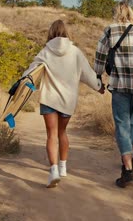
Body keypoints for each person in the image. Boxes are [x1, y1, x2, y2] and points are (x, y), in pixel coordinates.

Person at [23, 20, 105, 188]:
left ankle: (53, 170)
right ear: (66, 32)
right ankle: (63, 166)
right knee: (62, 132)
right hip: (67, 100)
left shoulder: (45, 52)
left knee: (51, 135)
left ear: (51, 32)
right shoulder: (75, 52)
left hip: (49, 99)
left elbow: (30, 72)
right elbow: (88, 74)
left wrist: (18, 87)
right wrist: (99, 87)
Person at [94, 2, 133, 188]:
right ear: (131, 14)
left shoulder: (109, 30)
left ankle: (127, 169)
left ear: (115, 13)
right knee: (131, 122)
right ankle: (130, 158)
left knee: (121, 124)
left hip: (119, 84)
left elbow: (100, 55)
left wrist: (98, 76)